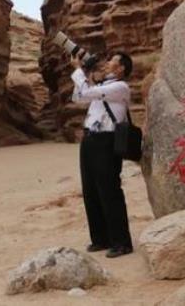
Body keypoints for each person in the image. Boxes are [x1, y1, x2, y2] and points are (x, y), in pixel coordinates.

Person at [71, 51, 134, 258]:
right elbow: (79, 98)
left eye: (112, 61)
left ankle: (121, 242)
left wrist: (79, 71)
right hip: (90, 140)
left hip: (107, 142)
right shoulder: (102, 87)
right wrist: (85, 74)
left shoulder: (120, 87)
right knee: (91, 190)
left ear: (122, 67)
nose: (107, 63)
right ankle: (100, 238)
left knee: (109, 190)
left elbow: (87, 93)